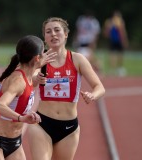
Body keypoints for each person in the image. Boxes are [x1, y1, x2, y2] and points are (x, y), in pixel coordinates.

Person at [27, 17, 105, 160]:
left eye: (57, 30)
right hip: (41, 123)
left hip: (68, 127)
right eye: (48, 32)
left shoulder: (77, 59)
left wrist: (93, 95)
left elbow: (99, 87)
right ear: (44, 37)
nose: (53, 34)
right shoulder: (39, 59)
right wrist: (35, 79)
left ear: (66, 34)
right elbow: (28, 82)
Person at [0, 35, 57, 160]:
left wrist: (36, 80)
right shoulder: (18, 80)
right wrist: (22, 118)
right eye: (43, 53)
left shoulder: (30, 75)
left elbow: (26, 90)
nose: (45, 56)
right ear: (37, 58)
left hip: (15, 143)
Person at [103, 10, 128, 76]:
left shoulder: (109, 21)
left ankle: (112, 69)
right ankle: (119, 69)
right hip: (119, 40)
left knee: (112, 55)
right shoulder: (120, 21)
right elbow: (122, 31)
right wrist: (124, 40)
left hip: (112, 41)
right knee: (120, 55)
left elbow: (106, 33)